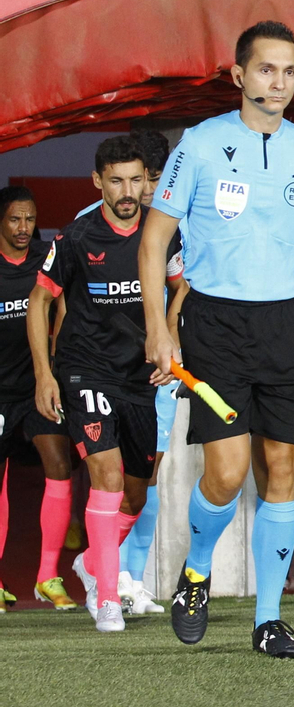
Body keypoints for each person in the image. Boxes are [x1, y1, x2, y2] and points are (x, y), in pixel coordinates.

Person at [141, 20, 294, 658]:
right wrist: (157, 327)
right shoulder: (201, 143)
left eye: (289, 71)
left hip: (284, 324)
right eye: (266, 69)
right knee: (228, 475)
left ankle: (269, 620)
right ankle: (196, 571)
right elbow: (154, 241)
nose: (279, 82)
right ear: (238, 75)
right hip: (215, 324)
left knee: (282, 470)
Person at [28, 135, 186, 632]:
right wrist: (45, 375)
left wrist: (171, 338)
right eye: (116, 181)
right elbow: (39, 302)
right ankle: (109, 598)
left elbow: (182, 287)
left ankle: (93, 562)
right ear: (98, 181)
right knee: (108, 479)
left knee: (137, 495)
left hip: (139, 378)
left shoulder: (162, 232)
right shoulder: (77, 237)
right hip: (85, 370)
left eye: (136, 180)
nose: (128, 191)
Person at [0, 186, 77, 612]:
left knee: (59, 465)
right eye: (15, 219)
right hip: (1, 391)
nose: (23, 227)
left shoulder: (46, 258)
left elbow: (64, 304)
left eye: (30, 219)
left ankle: (48, 576)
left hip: (39, 385)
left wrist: (55, 362)